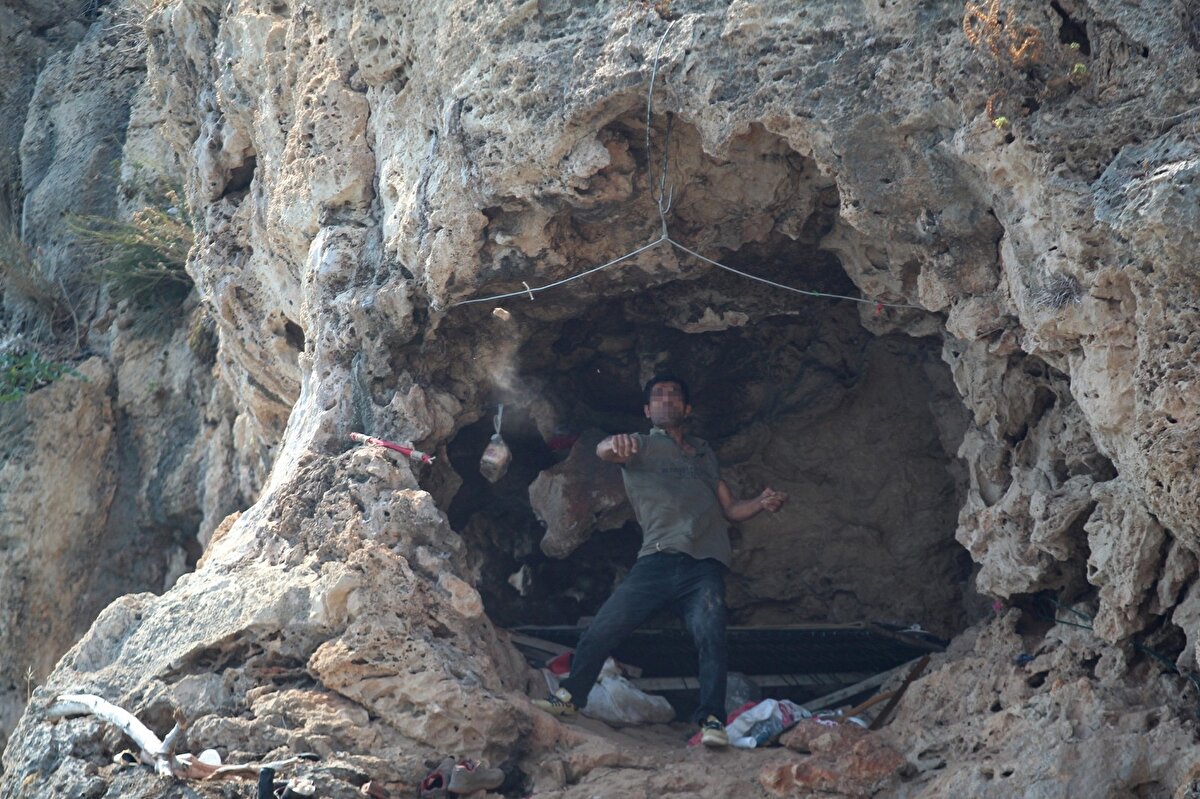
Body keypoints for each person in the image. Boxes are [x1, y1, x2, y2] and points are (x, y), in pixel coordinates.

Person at [533, 375, 788, 747]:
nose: (666, 400)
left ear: (687, 409)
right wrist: (610, 443)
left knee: (711, 637)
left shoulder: (703, 454)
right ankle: (571, 697)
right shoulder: (641, 446)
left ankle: (712, 721)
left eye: (673, 395)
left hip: (704, 565)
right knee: (604, 628)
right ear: (647, 411)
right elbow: (606, 450)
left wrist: (761, 504)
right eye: (658, 396)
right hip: (656, 561)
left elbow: (731, 509)